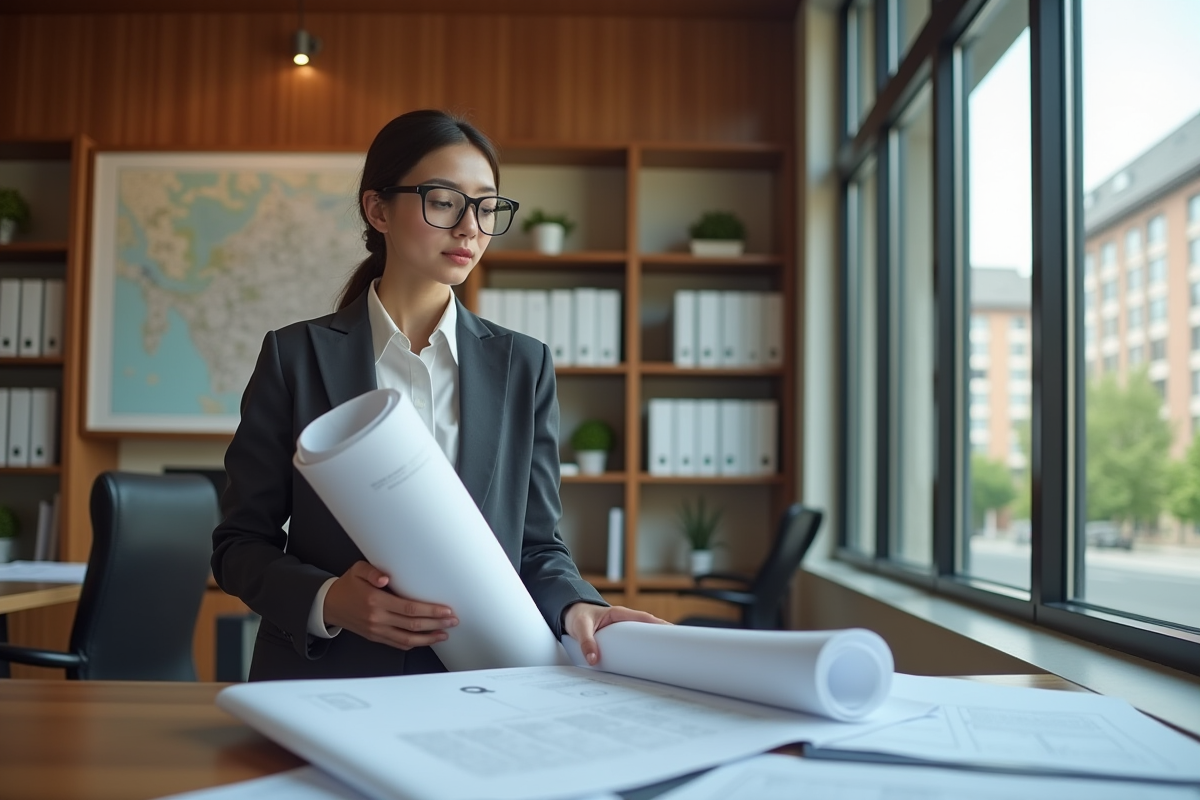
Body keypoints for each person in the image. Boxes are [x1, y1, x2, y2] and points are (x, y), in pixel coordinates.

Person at [212, 109, 663, 681]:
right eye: (445, 201)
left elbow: (537, 546)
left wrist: (580, 605)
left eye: (486, 205)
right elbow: (239, 545)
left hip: (480, 683)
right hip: (327, 680)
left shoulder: (524, 365)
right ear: (377, 209)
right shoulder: (295, 358)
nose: (470, 226)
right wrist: (329, 600)